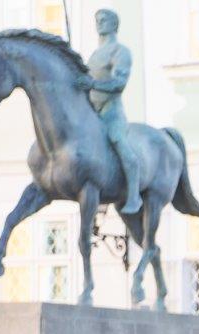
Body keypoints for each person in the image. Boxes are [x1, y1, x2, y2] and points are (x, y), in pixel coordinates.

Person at [73, 8, 140, 216]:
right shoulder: (94, 55)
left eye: (104, 20)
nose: (99, 23)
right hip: (93, 111)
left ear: (114, 24)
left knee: (118, 140)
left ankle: (134, 195)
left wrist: (92, 83)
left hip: (111, 110)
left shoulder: (120, 51)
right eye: (97, 20)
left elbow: (119, 83)